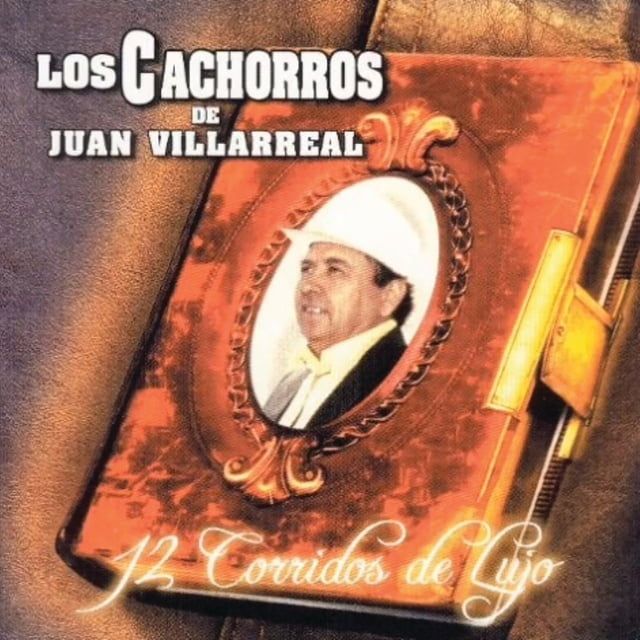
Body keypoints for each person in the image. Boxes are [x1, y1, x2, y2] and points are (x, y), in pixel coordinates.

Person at [262, 177, 427, 431]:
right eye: (307, 269)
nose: (308, 286)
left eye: (335, 270)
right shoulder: (291, 382)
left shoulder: (403, 385)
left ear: (390, 296)